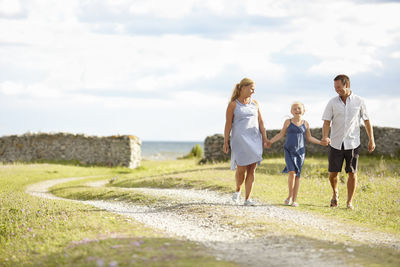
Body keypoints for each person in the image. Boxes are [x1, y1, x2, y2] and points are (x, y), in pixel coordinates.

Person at [322, 74, 375, 209]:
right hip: (335, 143)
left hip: (352, 142)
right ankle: (335, 193)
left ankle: (349, 202)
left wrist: (371, 140)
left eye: (339, 87)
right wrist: (325, 136)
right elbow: (327, 121)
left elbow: (367, 121)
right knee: (333, 173)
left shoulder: (359, 101)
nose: (336, 90)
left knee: (352, 172)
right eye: (335, 87)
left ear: (347, 85)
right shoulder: (332, 102)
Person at [268, 102, 329, 207]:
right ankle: (289, 196)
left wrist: (320, 142)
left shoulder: (306, 123)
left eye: (299, 108)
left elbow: (309, 138)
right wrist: (270, 141)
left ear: (304, 110)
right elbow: (281, 134)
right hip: (288, 150)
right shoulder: (288, 122)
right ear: (291, 111)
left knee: (297, 176)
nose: (297, 110)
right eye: (294, 109)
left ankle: (294, 200)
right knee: (292, 172)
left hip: (300, 152)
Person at [223, 78, 269, 206]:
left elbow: (261, 122)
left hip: (255, 139)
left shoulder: (255, 103)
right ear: (243, 88)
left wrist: (265, 138)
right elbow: (228, 125)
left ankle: (247, 199)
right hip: (240, 140)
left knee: (252, 169)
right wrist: (225, 141)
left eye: (254, 89)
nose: (253, 91)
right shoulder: (233, 105)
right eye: (251, 88)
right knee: (241, 168)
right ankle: (238, 190)